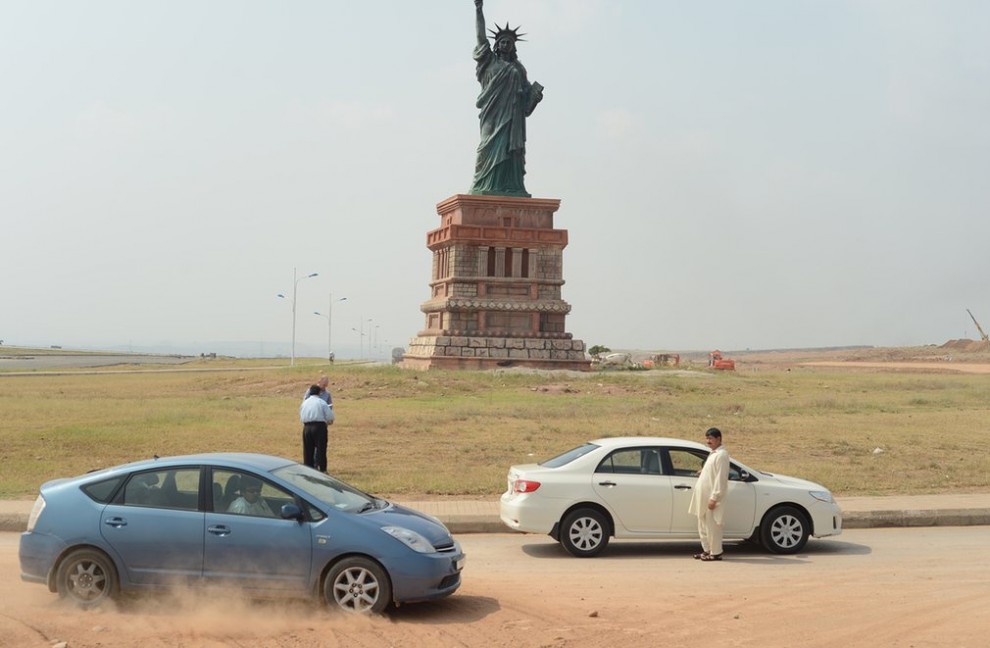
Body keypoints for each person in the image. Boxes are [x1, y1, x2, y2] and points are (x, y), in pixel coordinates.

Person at [469, 0, 544, 198]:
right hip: (492, 115)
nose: (505, 44)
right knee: (486, 147)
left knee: (512, 155)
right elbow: (480, 37)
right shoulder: (489, 62)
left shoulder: (519, 69)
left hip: (513, 120)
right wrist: (479, 9)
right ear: (496, 44)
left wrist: (535, 97)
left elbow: (527, 106)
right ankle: (482, 184)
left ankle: (511, 188)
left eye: (508, 42)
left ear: (513, 47)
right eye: (502, 41)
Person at [688, 427, 730, 561]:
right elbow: (712, 471)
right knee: (703, 525)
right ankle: (707, 550)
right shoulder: (713, 453)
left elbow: (721, 478)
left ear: (719, 439)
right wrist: (703, 471)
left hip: (711, 498)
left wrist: (714, 498)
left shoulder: (722, 455)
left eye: (711, 438)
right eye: (707, 438)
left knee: (713, 526)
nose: (708, 441)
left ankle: (716, 553)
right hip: (703, 496)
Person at [300, 384, 335, 472]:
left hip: (307, 427)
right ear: (319, 393)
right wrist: (329, 421)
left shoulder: (304, 403)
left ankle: (308, 470)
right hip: (319, 427)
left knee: (307, 450)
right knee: (321, 449)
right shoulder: (321, 402)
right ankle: (322, 470)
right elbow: (330, 416)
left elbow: (301, 415)